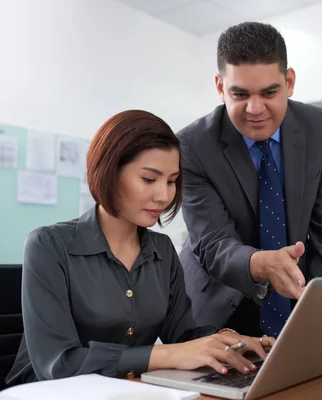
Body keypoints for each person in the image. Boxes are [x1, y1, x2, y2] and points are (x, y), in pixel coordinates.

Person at [5, 110, 274, 387]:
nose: (164, 196)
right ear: (108, 171)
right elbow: (59, 363)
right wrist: (166, 354)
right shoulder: (48, 246)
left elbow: (182, 335)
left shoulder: (163, 250)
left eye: (171, 181)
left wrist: (229, 343)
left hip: (124, 391)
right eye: (149, 179)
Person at [178, 22, 322, 338]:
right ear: (220, 87)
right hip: (219, 310)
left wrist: (320, 310)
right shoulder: (192, 146)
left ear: (290, 82)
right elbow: (212, 243)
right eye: (239, 94)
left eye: (269, 92)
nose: (255, 109)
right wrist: (260, 263)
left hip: (298, 299)